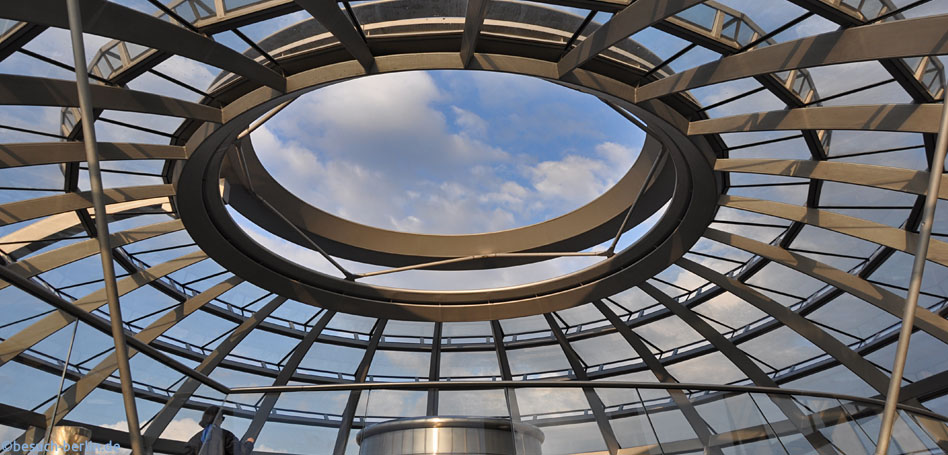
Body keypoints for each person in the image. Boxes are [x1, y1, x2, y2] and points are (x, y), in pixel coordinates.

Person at [183, 406, 255, 455]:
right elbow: (241, 453)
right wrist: (249, 442)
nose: (222, 420)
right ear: (218, 419)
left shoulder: (195, 438)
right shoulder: (226, 436)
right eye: (222, 418)